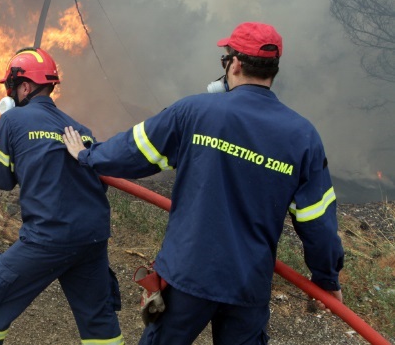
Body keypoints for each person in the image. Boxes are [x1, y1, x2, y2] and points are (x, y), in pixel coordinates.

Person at [62, 22, 344, 345]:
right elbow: (318, 223)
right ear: (272, 71)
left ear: (234, 63)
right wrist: (326, 279)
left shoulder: (194, 111)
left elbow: (133, 151)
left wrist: (87, 156)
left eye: (225, 60)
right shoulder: (303, 137)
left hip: (187, 275)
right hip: (247, 285)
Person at [0, 47, 124, 345]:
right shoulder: (82, 131)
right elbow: (97, 184)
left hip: (50, 237)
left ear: (24, 86)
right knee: (98, 319)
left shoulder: (13, 121)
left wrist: (6, 136)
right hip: (92, 238)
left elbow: (0, 179)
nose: (11, 95)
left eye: (11, 88)